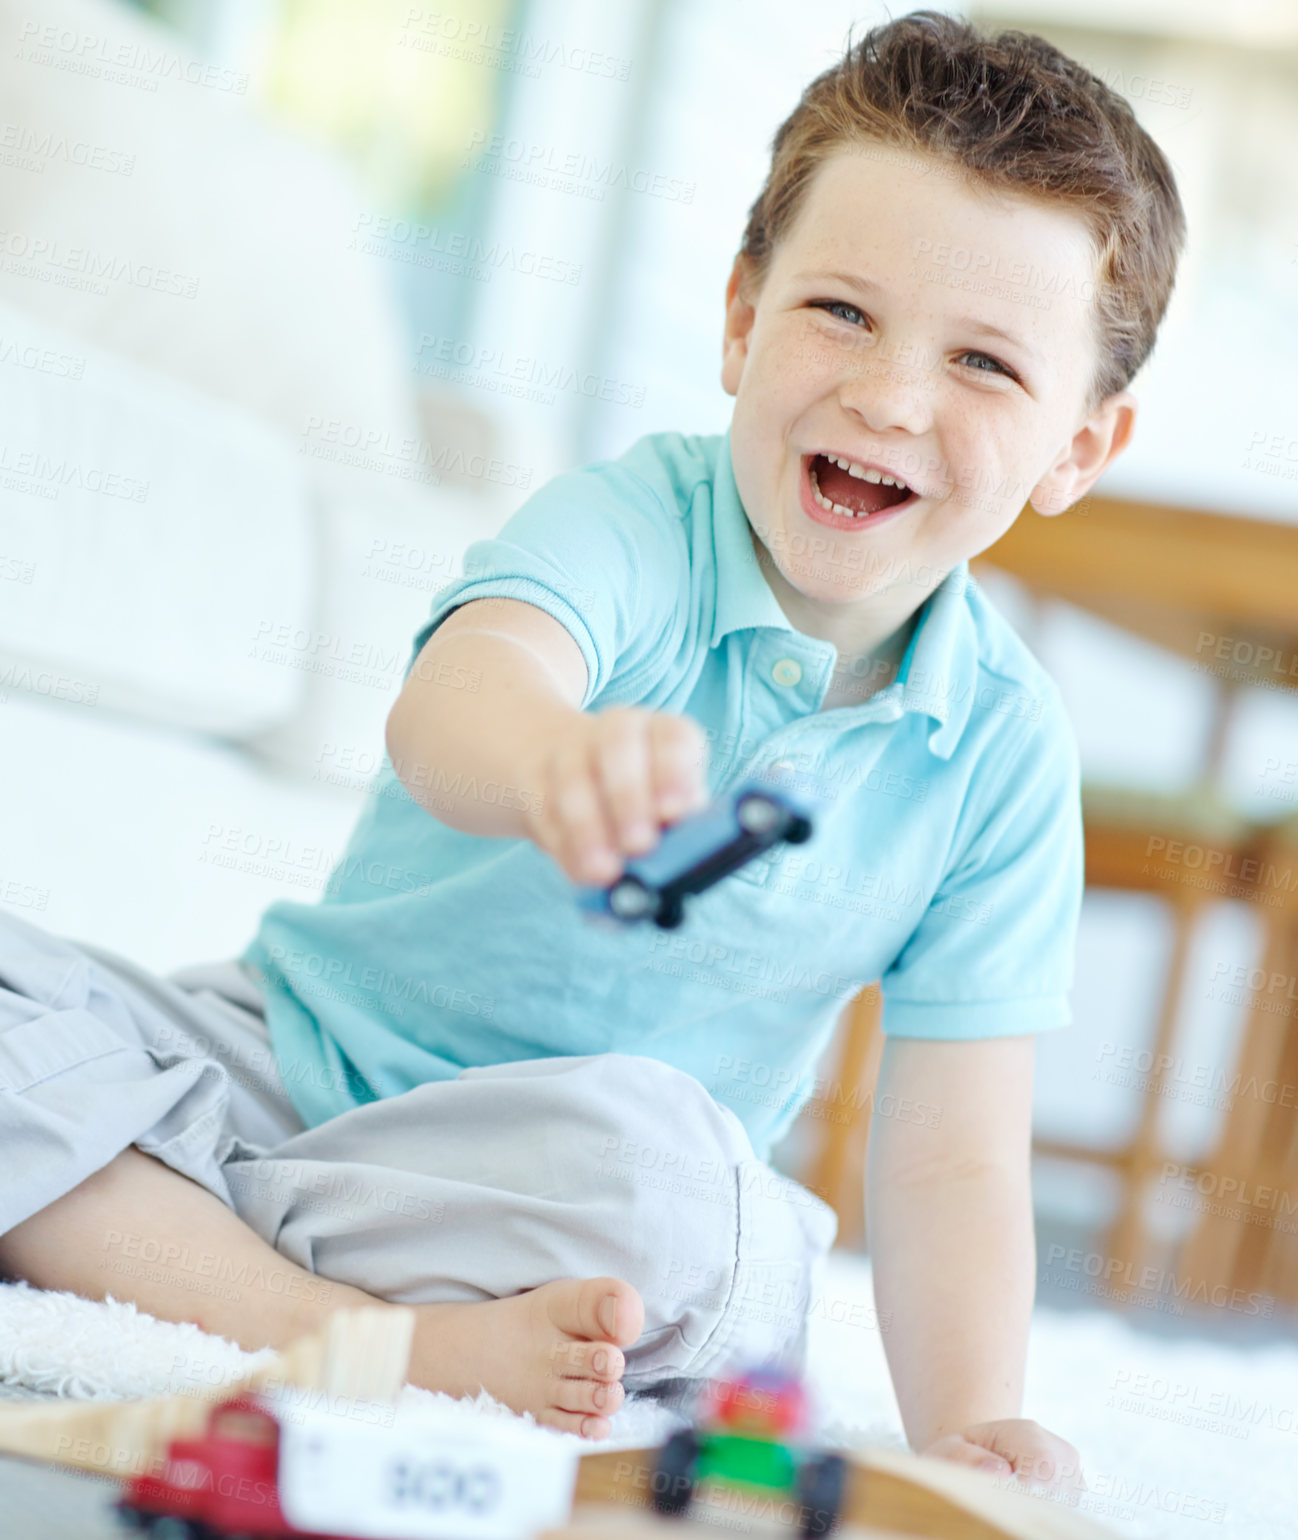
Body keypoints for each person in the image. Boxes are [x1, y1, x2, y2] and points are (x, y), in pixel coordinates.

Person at [0, 9, 1184, 1483]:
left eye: (985, 367)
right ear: (742, 318)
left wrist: (964, 1425)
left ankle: (134, 1224)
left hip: (556, 1190)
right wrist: (549, 760)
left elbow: (951, 1154)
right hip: (285, 1071)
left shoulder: (1000, 759)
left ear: (1080, 446)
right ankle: (333, 1326)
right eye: (840, 312)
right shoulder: (632, 524)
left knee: (695, 1211)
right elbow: (459, 700)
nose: (888, 395)